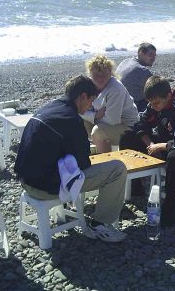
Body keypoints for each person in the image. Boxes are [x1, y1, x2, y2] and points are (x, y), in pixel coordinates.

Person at [14, 75, 128, 243]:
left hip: (26, 181)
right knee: (117, 169)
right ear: (83, 96)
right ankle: (100, 224)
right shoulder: (71, 120)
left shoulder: (49, 108)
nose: (92, 106)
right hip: (44, 188)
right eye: (91, 100)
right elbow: (83, 165)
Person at [120, 75, 175, 227]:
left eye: (156, 103)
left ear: (168, 96)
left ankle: (169, 207)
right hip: (165, 142)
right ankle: (136, 187)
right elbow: (141, 124)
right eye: (150, 104)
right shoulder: (155, 103)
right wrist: (150, 143)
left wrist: (159, 146)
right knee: (127, 138)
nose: (153, 107)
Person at [82, 55, 139, 153]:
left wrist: (93, 116)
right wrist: (94, 116)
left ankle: (106, 160)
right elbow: (78, 110)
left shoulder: (116, 89)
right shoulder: (86, 85)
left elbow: (112, 121)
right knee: (80, 122)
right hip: (102, 119)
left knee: (98, 131)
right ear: (90, 74)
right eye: (96, 75)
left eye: (104, 75)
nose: (100, 79)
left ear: (110, 74)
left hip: (127, 126)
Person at [116, 42, 156, 112]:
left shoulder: (125, 61)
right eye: (150, 55)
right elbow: (157, 91)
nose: (153, 58)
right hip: (130, 107)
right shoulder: (143, 71)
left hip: (115, 101)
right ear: (141, 53)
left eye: (154, 55)